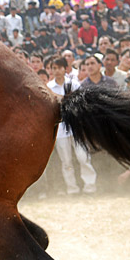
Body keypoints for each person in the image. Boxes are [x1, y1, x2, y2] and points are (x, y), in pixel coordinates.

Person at [46, 57, 97, 195]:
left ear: (65, 69)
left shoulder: (73, 84)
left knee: (83, 157)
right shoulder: (49, 87)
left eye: (59, 68)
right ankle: (72, 188)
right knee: (66, 162)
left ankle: (90, 186)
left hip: (76, 128)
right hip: (60, 131)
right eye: (54, 68)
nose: (57, 71)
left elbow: (81, 104)